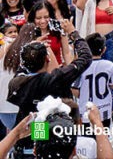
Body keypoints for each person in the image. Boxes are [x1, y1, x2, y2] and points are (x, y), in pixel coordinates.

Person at [7, 18, 90, 155]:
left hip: (26, 142)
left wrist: (30, 51)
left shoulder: (16, 83)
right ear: (47, 59)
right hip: (54, 139)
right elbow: (85, 57)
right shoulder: (56, 79)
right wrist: (73, 33)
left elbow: (24, 68)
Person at [72, 33, 113, 126]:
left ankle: (39, 139)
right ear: (104, 49)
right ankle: (39, 138)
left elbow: (75, 91)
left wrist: (85, 93)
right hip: (104, 109)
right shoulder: (110, 65)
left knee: (88, 138)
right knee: (103, 137)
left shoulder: (81, 66)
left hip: (86, 111)